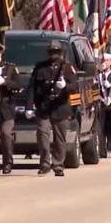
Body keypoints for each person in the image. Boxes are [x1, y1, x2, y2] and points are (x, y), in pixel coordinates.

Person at [29, 40, 77, 177]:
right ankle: (45, 164)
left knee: (60, 139)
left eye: (56, 52)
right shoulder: (40, 68)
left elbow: (74, 87)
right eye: (51, 52)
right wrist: (29, 105)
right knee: (43, 135)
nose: (53, 55)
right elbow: (32, 88)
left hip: (61, 107)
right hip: (44, 107)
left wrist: (65, 87)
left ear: (60, 52)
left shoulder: (67, 68)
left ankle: (58, 165)